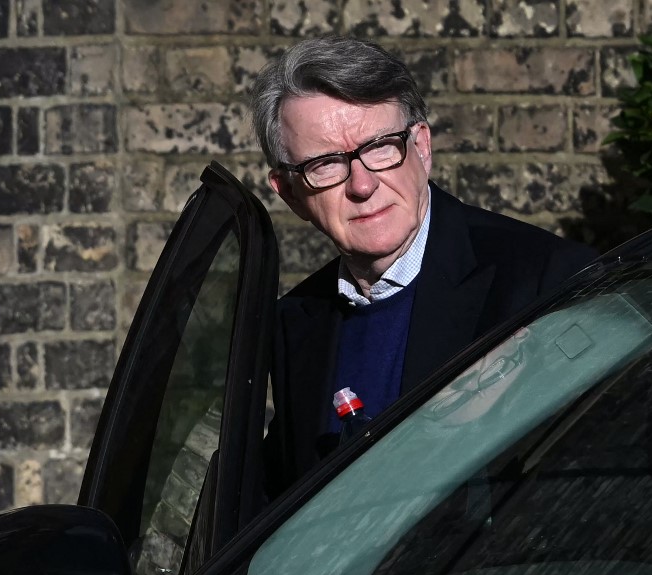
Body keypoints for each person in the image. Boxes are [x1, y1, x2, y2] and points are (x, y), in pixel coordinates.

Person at [251, 35, 596, 498]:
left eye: (380, 146)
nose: (362, 185)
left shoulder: (547, 281)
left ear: (422, 146)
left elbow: (633, 492)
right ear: (289, 193)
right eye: (326, 164)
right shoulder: (294, 323)